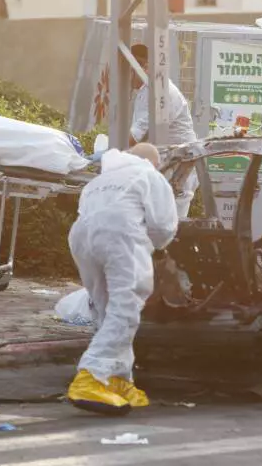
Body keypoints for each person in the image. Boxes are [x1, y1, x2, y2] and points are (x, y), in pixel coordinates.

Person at [66, 142, 179, 415]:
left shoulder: (100, 180)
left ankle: (117, 380)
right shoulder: (149, 175)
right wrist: (156, 247)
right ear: (154, 163)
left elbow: (88, 215)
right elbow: (163, 226)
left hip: (81, 238)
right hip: (120, 235)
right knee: (126, 307)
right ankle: (91, 376)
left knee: (107, 309)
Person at [127, 43, 198, 217]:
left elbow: (134, 138)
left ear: (143, 66)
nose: (126, 77)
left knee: (172, 223)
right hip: (165, 165)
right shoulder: (146, 91)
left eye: (129, 71)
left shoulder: (162, 94)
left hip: (178, 170)